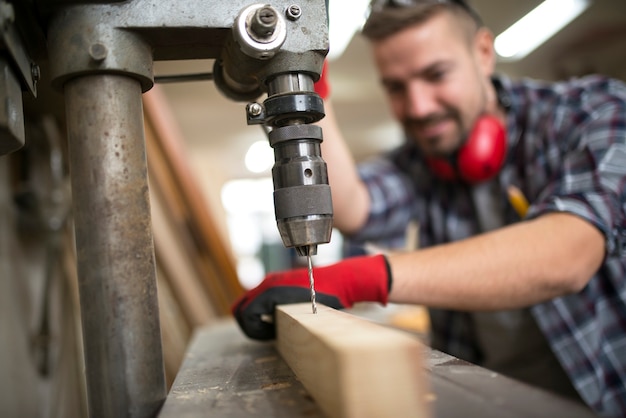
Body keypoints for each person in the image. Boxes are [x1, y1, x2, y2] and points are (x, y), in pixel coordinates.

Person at [232, 0, 626, 415]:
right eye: (396, 87)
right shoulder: (421, 162)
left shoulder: (596, 111)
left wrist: (363, 277)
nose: (418, 107)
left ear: (483, 53)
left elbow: (568, 253)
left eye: (436, 75)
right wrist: (311, 87)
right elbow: (356, 208)